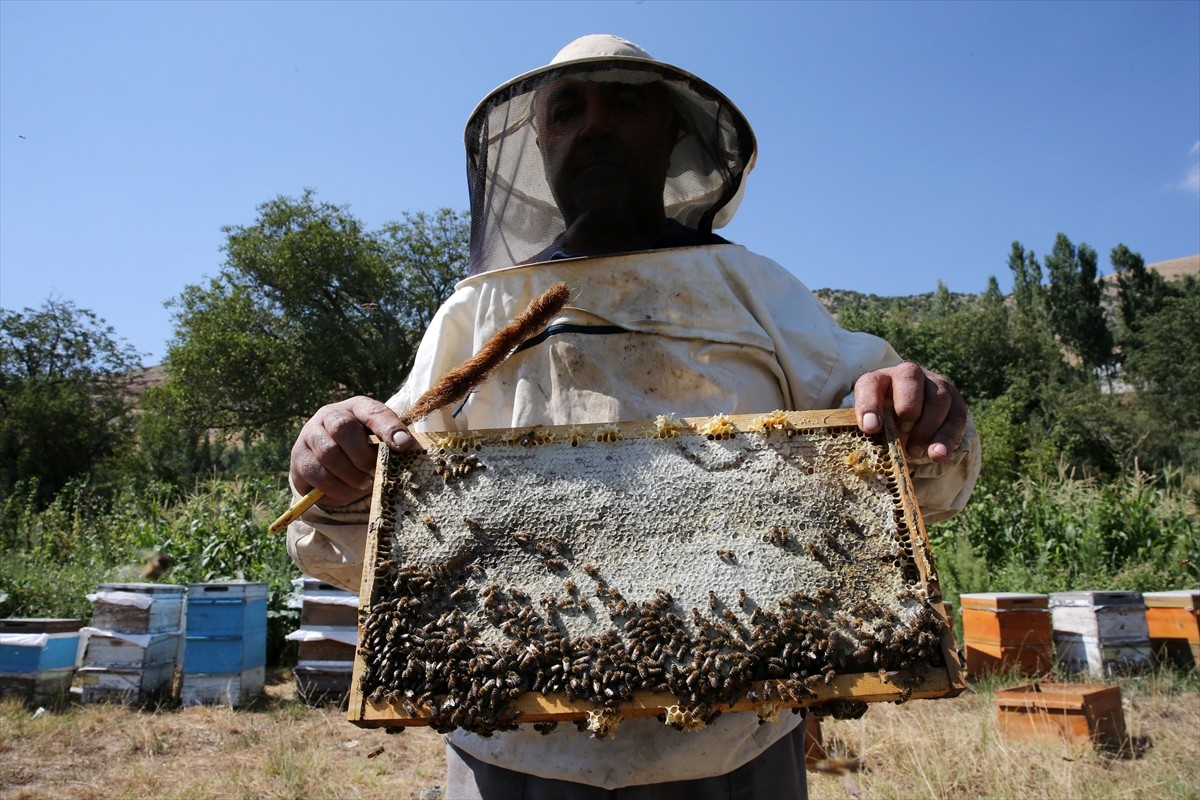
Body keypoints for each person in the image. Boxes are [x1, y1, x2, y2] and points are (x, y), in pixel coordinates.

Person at [287, 34, 980, 799]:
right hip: (513, 756)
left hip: (736, 753)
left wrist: (919, 416)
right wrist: (337, 470)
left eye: (623, 104)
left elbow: (899, 470)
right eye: (567, 111)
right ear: (540, 142)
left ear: (673, 131)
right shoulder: (479, 311)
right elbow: (376, 530)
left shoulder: (754, 289)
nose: (594, 126)